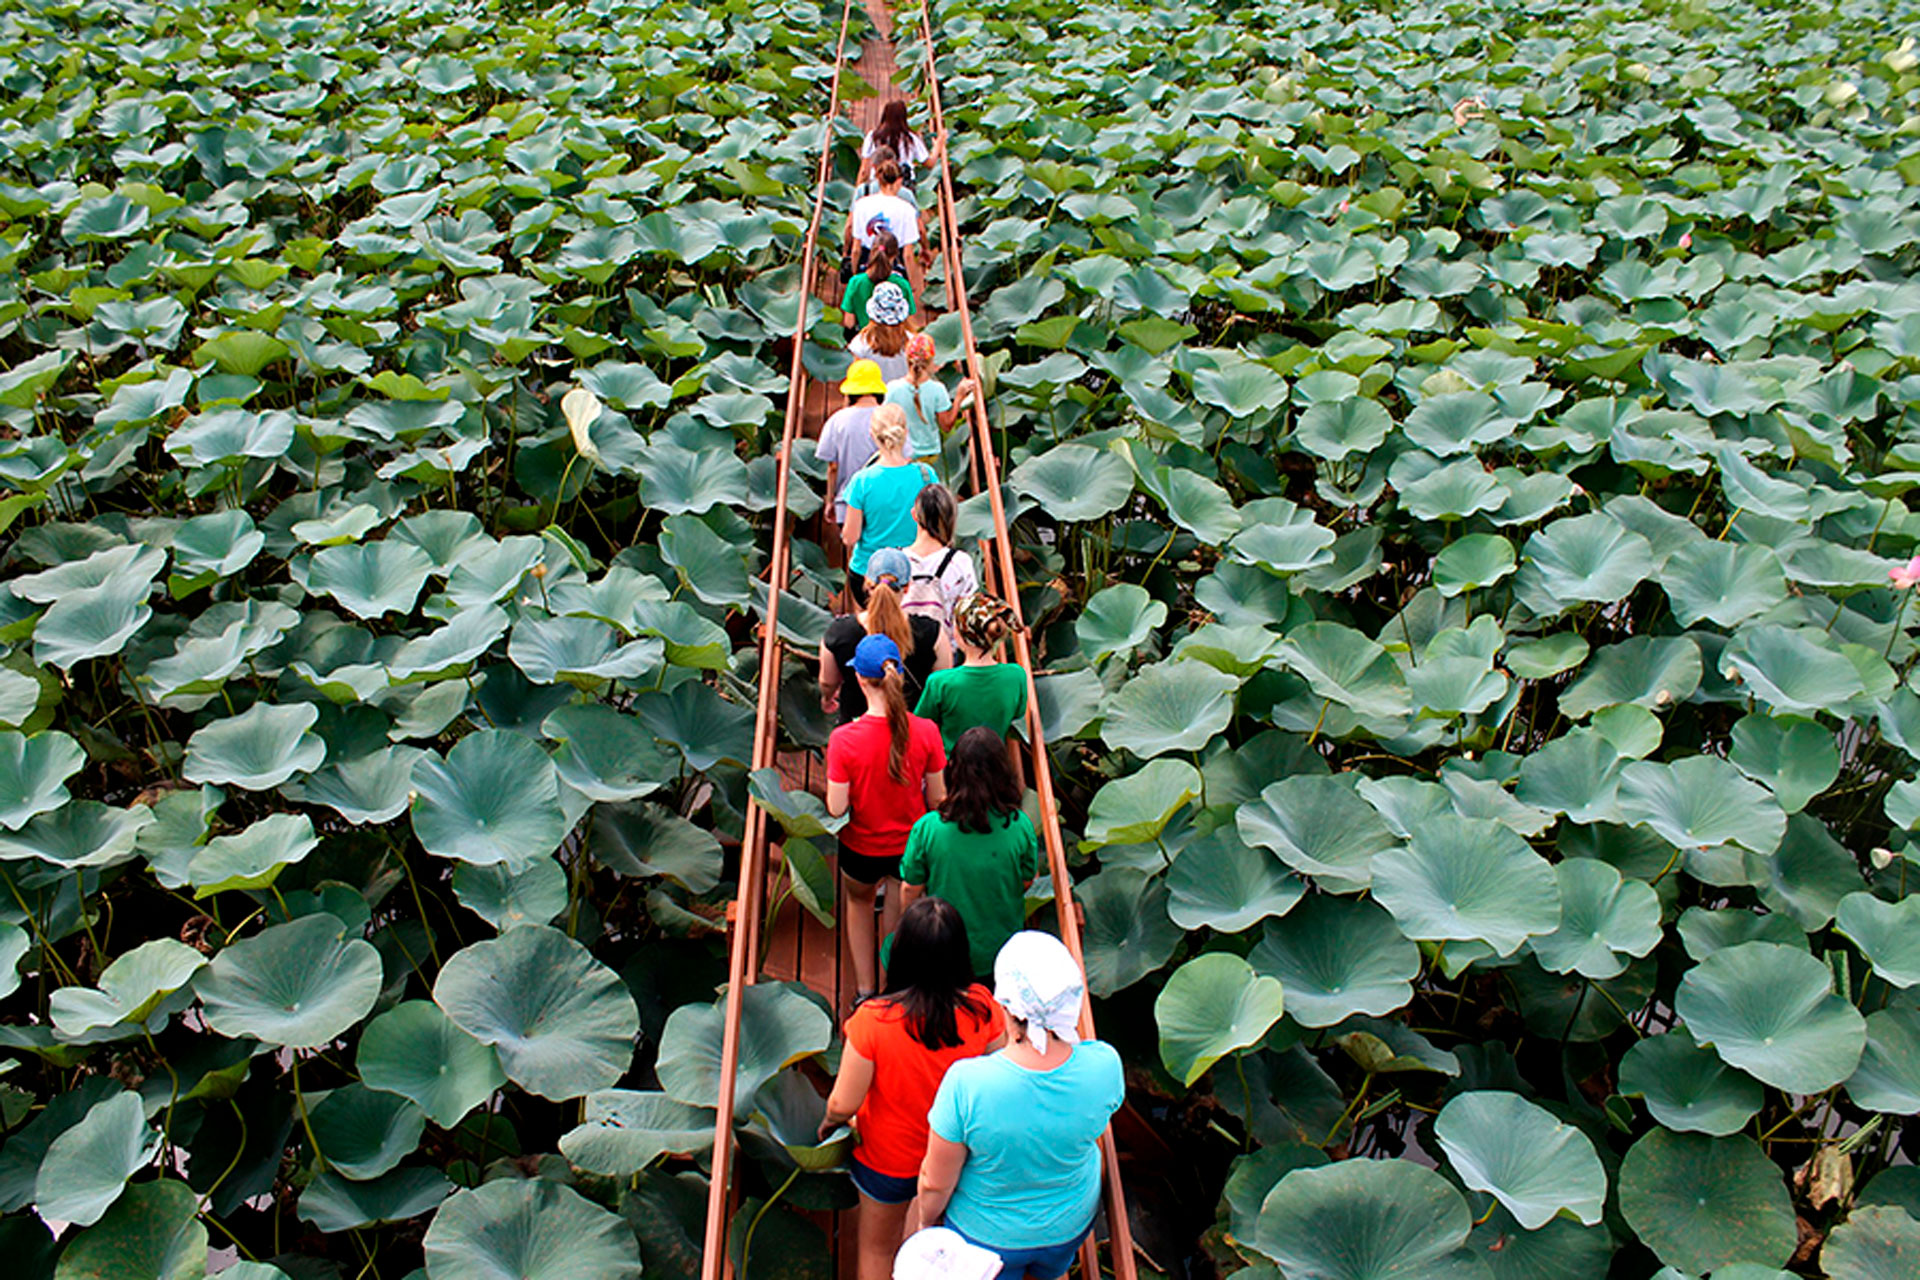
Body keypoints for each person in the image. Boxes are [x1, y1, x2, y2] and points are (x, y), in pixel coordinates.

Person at [912, 932, 1125, 1280]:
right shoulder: (1105, 1065)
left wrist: (926, 1224)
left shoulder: (967, 1084)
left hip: (984, 1238)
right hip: (1069, 1225)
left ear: (1005, 1004)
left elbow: (935, 1183)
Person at [821, 898, 1005, 1280]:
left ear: (900, 953)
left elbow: (843, 1101)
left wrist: (828, 1121)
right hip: (955, 1159)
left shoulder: (872, 1021)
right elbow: (1001, 1072)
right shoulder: (983, 1009)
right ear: (959, 954)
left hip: (886, 1158)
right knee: (935, 1250)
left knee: (876, 1247)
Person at [826, 634, 948, 1003]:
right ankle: (894, 988)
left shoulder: (843, 739)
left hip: (860, 846)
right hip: (909, 847)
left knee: (859, 904)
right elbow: (939, 797)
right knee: (898, 919)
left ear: (859, 680)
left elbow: (835, 808)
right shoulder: (926, 731)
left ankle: (865, 991)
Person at [901, 728, 1040, 978]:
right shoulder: (1020, 826)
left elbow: (911, 888)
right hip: (1001, 953)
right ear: (1003, 773)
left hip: (942, 948)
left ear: (953, 771)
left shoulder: (928, 828)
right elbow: (1027, 879)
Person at [821, 548, 947, 725]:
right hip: (913, 731)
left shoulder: (839, 632)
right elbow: (941, 686)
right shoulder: (933, 633)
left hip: (856, 727)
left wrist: (827, 698)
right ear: (907, 587)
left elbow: (828, 681)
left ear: (866, 583)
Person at [914, 596, 1027, 752]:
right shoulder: (1017, 675)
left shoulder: (941, 683)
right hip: (996, 767)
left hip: (951, 770)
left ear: (960, 635)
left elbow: (919, 725)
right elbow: (1018, 712)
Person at [844, 406, 937, 582]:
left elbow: (850, 537)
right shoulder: (927, 475)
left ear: (872, 435)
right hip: (916, 572)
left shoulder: (862, 481)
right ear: (906, 432)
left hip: (868, 573)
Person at [902, 485, 978, 645]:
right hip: (946, 654)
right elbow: (965, 618)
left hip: (902, 651)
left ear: (914, 515)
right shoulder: (960, 562)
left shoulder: (896, 560)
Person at [887, 333, 975, 462]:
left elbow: (885, 421)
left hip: (902, 455)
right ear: (931, 361)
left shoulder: (893, 388)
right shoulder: (937, 389)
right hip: (929, 455)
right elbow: (946, 425)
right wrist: (959, 396)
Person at [819, 360, 888, 525]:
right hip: (883, 499)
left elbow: (832, 467)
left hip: (847, 499)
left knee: (852, 547)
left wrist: (830, 500)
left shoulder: (837, 420)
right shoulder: (889, 417)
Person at [850, 159, 920, 262]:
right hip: (894, 265)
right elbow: (908, 255)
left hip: (867, 263)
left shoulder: (861, 205)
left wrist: (854, 274)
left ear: (878, 179)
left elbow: (856, 250)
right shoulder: (907, 209)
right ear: (899, 180)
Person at [844, 237, 917, 333]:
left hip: (866, 337)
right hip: (894, 340)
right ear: (895, 256)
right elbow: (909, 322)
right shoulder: (902, 284)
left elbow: (849, 322)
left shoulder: (855, 282)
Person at [859, 100, 937, 188]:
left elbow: (864, 171)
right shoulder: (911, 138)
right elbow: (929, 163)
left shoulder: (872, 137)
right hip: (904, 184)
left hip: (878, 184)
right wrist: (938, 145)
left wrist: (857, 193)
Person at [851, 283, 912, 383]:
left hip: (873, 397)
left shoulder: (861, 343)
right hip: (903, 396)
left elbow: (855, 379)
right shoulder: (911, 341)